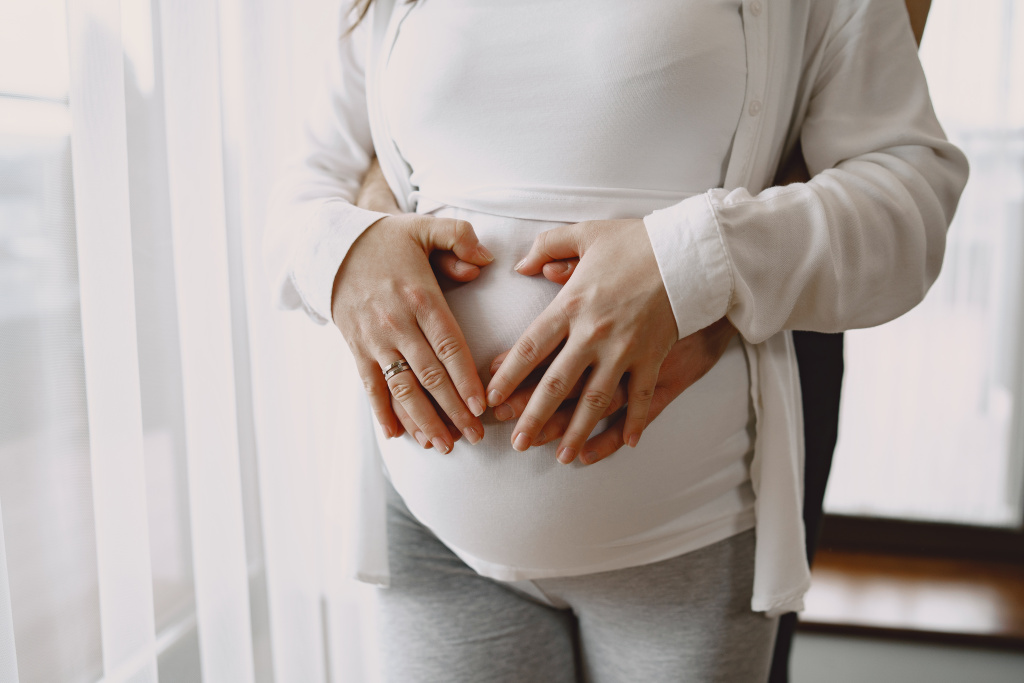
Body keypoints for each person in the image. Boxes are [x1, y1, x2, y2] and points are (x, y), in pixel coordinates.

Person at [265, 0, 968, 680]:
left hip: (685, 546)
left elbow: (908, 196)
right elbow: (310, 174)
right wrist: (343, 252)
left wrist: (687, 265)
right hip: (435, 546)